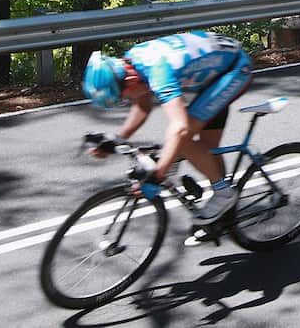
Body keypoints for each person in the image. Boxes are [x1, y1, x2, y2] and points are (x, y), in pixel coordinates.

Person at [81, 31, 253, 224]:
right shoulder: (133, 63)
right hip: (217, 71)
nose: (126, 100)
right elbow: (143, 106)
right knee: (206, 148)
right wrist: (118, 138)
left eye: (123, 97)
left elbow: (180, 128)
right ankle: (226, 215)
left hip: (234, 70)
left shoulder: (158, 72)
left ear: (128, 82)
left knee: (183, 140)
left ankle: (223, 194)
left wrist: (157, 175)